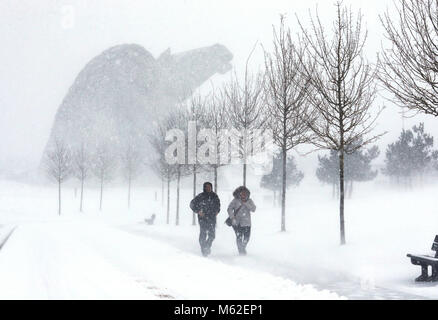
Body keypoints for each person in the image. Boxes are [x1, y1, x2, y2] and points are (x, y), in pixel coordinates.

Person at [190, 182, 221, 256]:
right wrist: (198, 211)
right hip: (202, 218)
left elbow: (218, 205)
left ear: (211, 187)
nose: (208, 188)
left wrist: (217, 211)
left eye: (209, 187)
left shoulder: (214, 196)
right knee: (203, 233)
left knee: (212, 235)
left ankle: (207, 246)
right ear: (204, 188)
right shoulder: (200, 196)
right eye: (206, 187)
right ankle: (203, 249)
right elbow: (192, 204)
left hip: (212, 217)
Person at [227, 186, 256, 255]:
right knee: (239, 237)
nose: (243, 194)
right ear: (239, 193)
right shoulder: (235, 200)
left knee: (247, 238)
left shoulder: (249, 201)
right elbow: (229, 209)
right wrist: (232, 217)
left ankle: (242, 248)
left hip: (247, 223)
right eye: (242, 193)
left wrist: (246, 203)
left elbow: (253, 209)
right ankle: (241, 251)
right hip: (237, 223)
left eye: (245, 193)